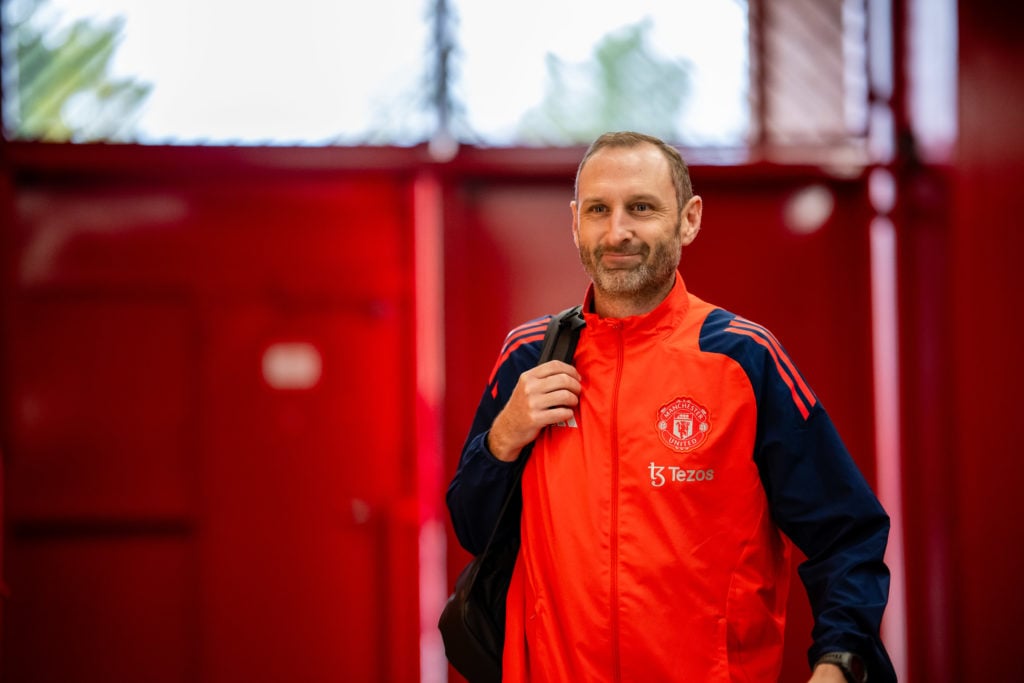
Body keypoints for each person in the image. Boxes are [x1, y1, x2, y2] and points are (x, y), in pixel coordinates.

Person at [446, 131, 896, 682]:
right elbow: (471, 527)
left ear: (688, 219)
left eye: (640, 207)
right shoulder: (528, 358)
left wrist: (840, 662)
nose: (617, 231)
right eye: (598, 210)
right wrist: (503, 438)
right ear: (575, 223)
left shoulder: (743, 359)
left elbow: (847, 531)